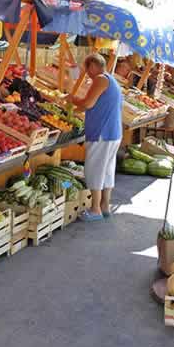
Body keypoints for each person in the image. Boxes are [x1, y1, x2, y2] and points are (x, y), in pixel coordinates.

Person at [66, 53, 123, 222]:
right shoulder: (111, 80)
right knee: (106, 171)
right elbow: (95, 105)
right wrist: (76, 108)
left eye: (86, 68)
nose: (87, 73)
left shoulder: (100, 79)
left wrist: (72, 99)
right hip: (112, 133)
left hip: (102, 133)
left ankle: (95, 209)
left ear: (93, 66)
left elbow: (88, 103)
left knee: (95, 170)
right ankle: (105, 206)